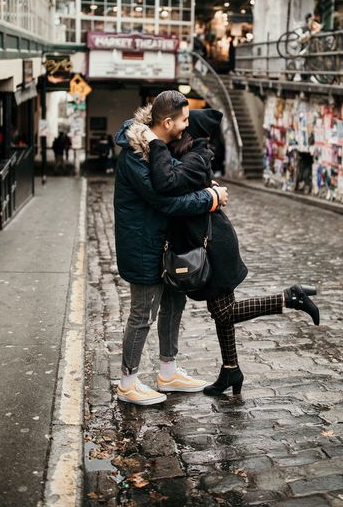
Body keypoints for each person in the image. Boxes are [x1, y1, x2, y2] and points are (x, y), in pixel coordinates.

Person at [140, 108, 320, 396]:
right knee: (222, 312)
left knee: (225, 311)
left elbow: (168, 186)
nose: (179, 126)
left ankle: (289, 297)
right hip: (207, 240)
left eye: (185, 123)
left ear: (190, 132)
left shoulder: (194, 158)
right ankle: (230, 370)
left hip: (213, 245)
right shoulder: (185, 155)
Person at [113, 91, 228, 406]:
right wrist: (210, 199)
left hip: (168, 243)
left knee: (174, 305)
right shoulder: (135, 155)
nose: (187, 126)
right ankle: (128, 382)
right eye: (185, 120)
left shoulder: (164, 147)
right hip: (143, 245)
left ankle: (168, 371)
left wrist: (206, 188)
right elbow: (165, 199)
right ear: (167, 121)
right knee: (143, 313)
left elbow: (179, 182)